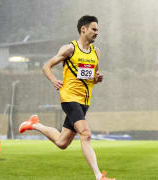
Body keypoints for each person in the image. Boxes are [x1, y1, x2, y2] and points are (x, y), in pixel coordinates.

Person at [19, 15, 115, 180]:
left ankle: (34, 125)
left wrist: (97, 79)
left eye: (98, 30)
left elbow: (92, 77)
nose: (97, 32)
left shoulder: (96, 52)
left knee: (62, 143)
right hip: (69, 98)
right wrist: (53, 80)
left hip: (84, 101)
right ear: (83, 29)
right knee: (85, 134)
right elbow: (46, 66)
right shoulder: (69, 49)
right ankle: (99, 176)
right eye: (94, 29)